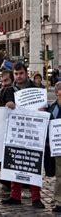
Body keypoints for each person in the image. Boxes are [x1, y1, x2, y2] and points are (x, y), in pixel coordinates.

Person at [1, 62, 45, 209]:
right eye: (16, 74)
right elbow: (0, 111)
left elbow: (42, 110)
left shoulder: (36, 89)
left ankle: (36, 198)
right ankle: (15, 196)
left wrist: (42, 109)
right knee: (15, 164)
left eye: (21, 73)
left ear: (26, 73)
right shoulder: (8, 90)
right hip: (15, 133)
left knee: (33, 163)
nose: (18, 76)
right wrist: (7, 106)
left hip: (32, 133)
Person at [0, 70, 14, 197]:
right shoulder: (3, 90)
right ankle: (7, 185)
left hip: (10, 129)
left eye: (7, 80)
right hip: (3, 129)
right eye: (2, 80)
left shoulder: (9, 90)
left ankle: (8, 186)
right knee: (3, 158)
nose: (4, 83)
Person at [49, 82, 61, 212]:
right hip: (58, 146)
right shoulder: (52, 108)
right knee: (60, 174)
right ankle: (58, 200)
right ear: (57, 92)